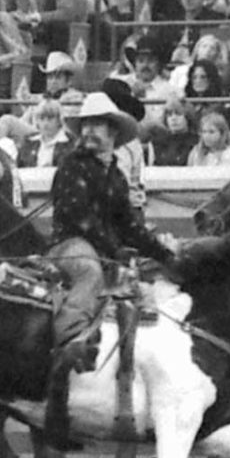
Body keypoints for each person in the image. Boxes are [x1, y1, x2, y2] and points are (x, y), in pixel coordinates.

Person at [44, 88, 175, 426]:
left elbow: (131, 226)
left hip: (103, 251)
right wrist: (116, 249)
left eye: (98, 125)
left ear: (112, 133)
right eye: (86, 124)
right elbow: (77, 217)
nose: (89, 131)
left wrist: (163, 254)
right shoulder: (72, 164)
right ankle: (68, 340)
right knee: (89, 272)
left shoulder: (116, 176)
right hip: (69, 245)